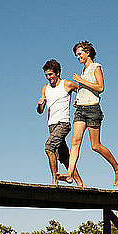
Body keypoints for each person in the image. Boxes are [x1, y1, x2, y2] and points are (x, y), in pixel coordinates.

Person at [57, 41, 118, 186]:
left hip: (93, 110)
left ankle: (117, 168)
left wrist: (81, 81)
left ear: (87, 52)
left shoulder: (96, 67)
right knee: (75, 142)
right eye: (76, 55)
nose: (78, 57)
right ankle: (69, 174)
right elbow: (86, 91)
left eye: (80, 54)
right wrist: (78, 98)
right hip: (80, 110)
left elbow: (101, 87)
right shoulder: (83, 70)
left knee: (95, 146)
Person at [37, 59, 85, 187]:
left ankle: (54, 180)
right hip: (52, 125)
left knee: (49, 147)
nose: (49, 78)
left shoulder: (67, 84)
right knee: (64, 157)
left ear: (57, 73)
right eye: (46, 75)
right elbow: (40, 111)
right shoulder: (45, 88)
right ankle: (80, 183)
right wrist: (40, 104)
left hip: (63, 123)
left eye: (51, 74)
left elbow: (82, 91)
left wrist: (78, 101)